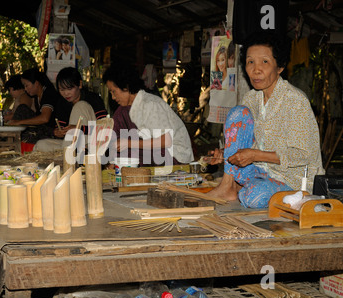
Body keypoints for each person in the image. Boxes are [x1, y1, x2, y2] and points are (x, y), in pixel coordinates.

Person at [206, 31, 325, 209]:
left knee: (253, 197)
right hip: (259, 171)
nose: (256, 69)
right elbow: (251, 144)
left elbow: (303, 154)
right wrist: (227, 154)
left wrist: (254, 155)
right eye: (250, 62)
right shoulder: (251, 99)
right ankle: (228, 185)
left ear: (280, 67)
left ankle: (240, 187)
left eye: (265, 62)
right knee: (238, 113)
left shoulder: (295, 101)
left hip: (292, 182)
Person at [102, 63, 194, 166]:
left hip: (176, 156)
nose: (113, 97)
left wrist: (128, 143)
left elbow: (166, 141)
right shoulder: (126, 109)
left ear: (126, 86)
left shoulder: (150, 104)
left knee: (129, 149)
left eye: (114, 91)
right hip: (158, 155)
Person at [34, 67, 107, 152]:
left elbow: (105, 129)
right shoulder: (62, 102)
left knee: (80, 105)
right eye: (62, 90)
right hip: (70, 144)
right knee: (40, 145)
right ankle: (69, 154)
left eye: (69, 89)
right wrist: (58, 132)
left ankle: (71, 154)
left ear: (80, 84)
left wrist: (79, 128)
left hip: (92, 144)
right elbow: (61, 127)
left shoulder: (93, 99)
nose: (66, 93)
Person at [8, 68, 72, 144]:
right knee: (22, 109)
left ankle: (10, 141)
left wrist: (19, 122)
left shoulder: (48, 93)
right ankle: (10, 139)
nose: (25, 89)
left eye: (26, 85)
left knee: (23, 110)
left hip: (55, 132)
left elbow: (44, 118)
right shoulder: (36, 97)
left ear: (36, 83)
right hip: (46, 129)